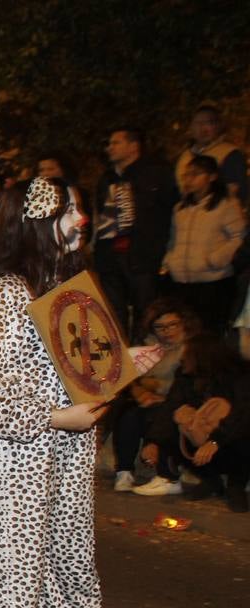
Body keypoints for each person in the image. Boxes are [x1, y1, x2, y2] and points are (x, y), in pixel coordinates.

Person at [0, 176, 161, 608]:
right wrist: (54, 418)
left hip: (70, 452)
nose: (80, 220)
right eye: (69, 210)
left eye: (81, 209)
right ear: (36, 220)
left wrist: (127, 367)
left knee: (72, 564)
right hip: (13, 457)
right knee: (13, 574)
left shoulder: (71, 289)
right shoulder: (5, 294)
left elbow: (83, 371)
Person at [139, 333, 249, 512]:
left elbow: (242, 414)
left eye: (187, 354)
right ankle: (211, 481)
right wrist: (153, 442)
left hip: (229, 437)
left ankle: (236, 486)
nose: (182, 359)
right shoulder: (186, 377)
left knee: (244, 436)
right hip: (201, 436)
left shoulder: (238, 376)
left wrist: (216, 440)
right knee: (176, 422)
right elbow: (170, 407)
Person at [93, 127, 178, 340]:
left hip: (142, 254)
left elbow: (169, 210)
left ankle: (142, 356)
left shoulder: (156, 173)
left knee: (145, 310)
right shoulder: (107, 178)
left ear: (133, 146)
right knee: (113, 312)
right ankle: (121, 361)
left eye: (116, 143)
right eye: (109, 144)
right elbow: (100, 214)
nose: (110, 148)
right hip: (110, 256)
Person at [114, 301, 195, 492]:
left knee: (162, 415)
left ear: (183, 324)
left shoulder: (191, 349)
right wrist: (138, 390)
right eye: (160, 327)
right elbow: (127, 377)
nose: (167, 331)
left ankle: (168, 476)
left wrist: (157, 390)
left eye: (172, 324)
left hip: (177, 402)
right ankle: (124, 471)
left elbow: (188, 385)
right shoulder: (148, 348)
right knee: (129, 415)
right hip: (149, 401)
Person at [162, 154, 246, 335]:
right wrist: (170, 261)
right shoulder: (180, 208)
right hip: (182, 280)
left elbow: (239, 236)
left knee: (209, 331)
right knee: (186, 331)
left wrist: (217, 259)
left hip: (212, 281)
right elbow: (173, 239)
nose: (190, 180)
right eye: (187, 175)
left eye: (196, 174)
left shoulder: (226, 205)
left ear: (212, 177)